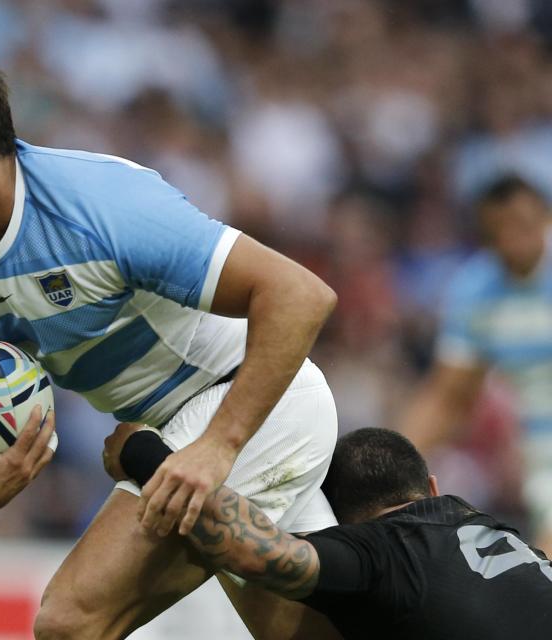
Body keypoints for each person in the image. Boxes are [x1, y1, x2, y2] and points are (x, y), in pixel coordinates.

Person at [0, 42, 339, 639]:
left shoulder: (102, 206)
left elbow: (300, 296)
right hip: (159, 440)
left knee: (71, 621)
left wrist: (219, 445)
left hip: (252, 406)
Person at [105, 424, 552, 639]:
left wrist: (142, 452)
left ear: (342, 523)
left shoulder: (383, 553)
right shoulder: (501, 535)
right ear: (432, 487)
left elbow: (256, 554)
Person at [400, 174, 552, 555]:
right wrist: (391, 467)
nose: (514, 239)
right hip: (533, 453)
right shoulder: (473, 289)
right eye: (500, 230)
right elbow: (448, 398)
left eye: (524, 225)